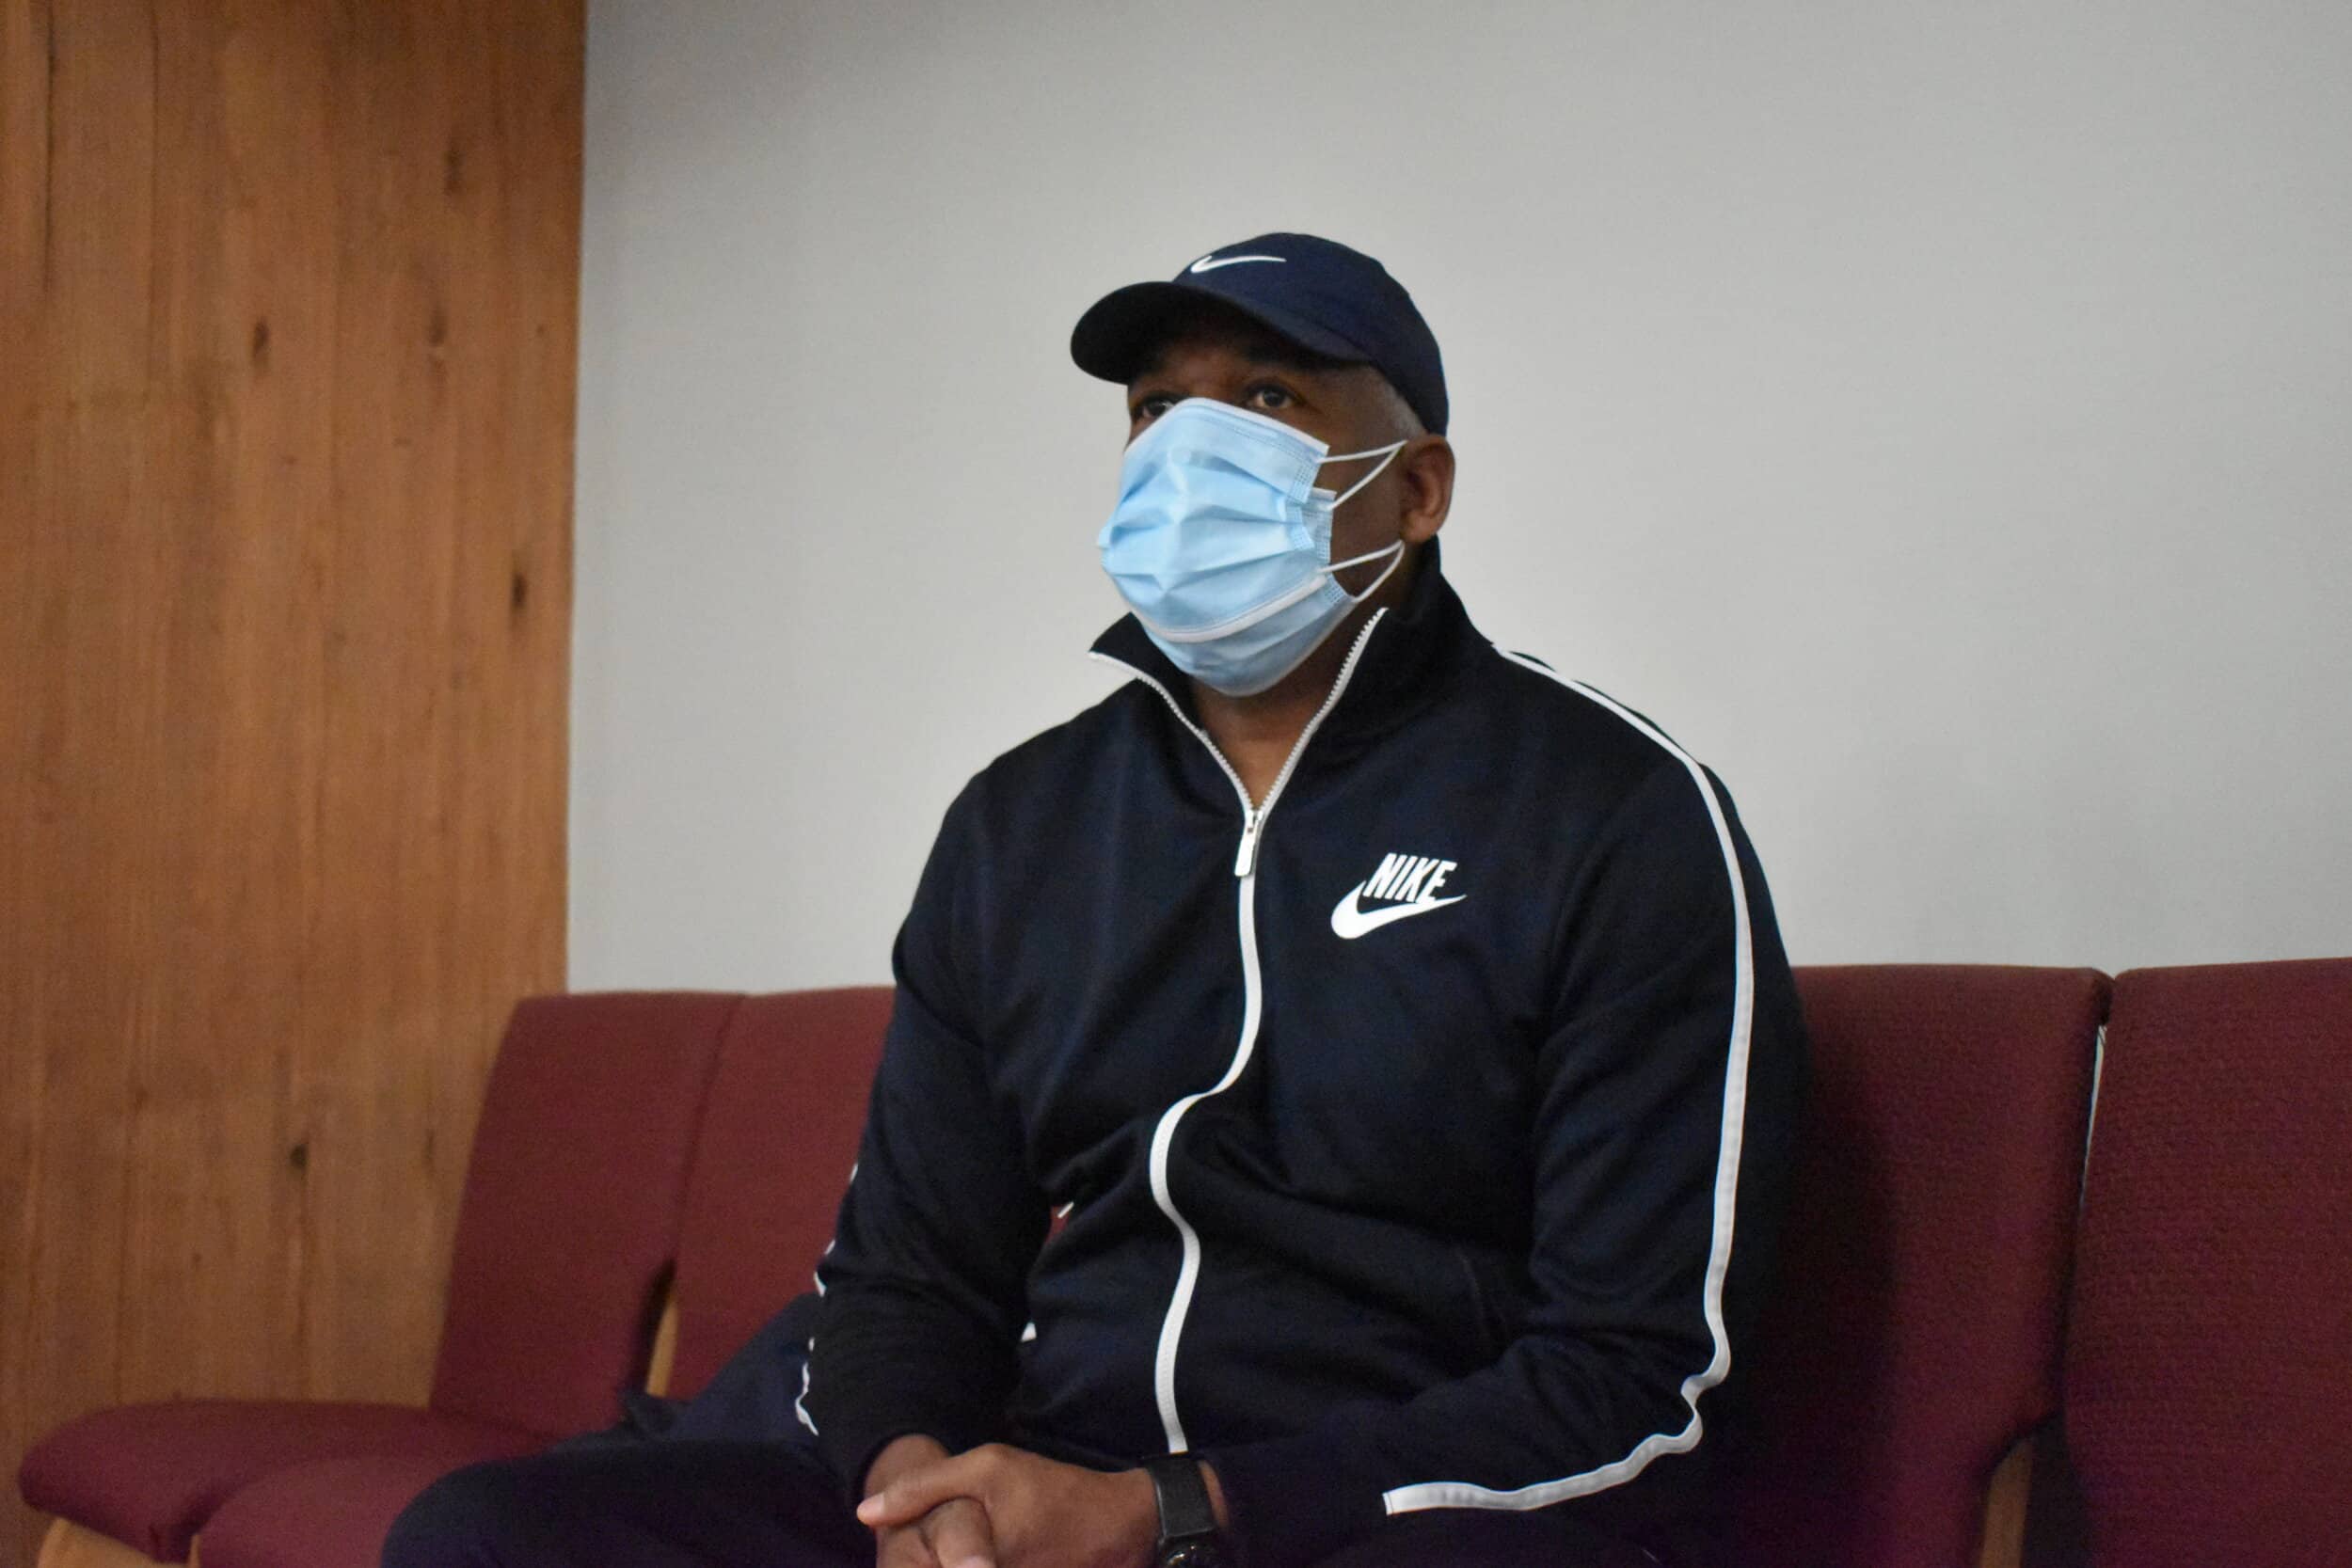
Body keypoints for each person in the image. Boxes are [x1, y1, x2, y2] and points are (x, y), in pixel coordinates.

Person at [385, 232, 1807, 1568]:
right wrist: (915, 1486)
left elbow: (1639, 1382)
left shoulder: (1613, 814)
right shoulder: (1025, 826)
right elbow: (911, 1276)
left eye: (1268, 396)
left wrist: (1176, 1512)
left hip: (1371, 1513)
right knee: (488, 1538)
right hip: (1049, 1477)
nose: (1193, 449)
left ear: (1418, 489)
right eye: (1153, 407)